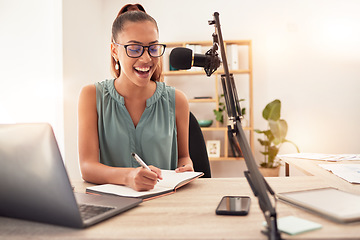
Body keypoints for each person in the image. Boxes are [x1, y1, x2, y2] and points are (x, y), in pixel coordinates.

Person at [78, 5, 194, 192]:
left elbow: (184, 157)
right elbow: (87, 168)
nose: (146, 59)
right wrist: (128, 177)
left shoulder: (178, 100)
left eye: (153, 48)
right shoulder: (91, 96)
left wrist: (186, 167)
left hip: (165, 206)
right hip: (112, 207)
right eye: (134, 49)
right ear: (114, 51)